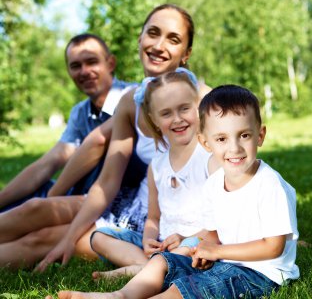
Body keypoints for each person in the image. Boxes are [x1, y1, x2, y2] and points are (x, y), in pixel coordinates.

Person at [0, 4, 210, 270]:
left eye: (173, 39)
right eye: (153, 33)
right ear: (140, 38)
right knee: (35, 209)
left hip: (166, 224)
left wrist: (68, 238)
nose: (158, 45)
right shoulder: (130, 102)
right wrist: (71, 233)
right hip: (131, 204)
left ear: (186, 53)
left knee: (41, 239)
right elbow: (107, 182)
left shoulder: (206, 101)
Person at [52, 85, 299, 299]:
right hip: (223, 261)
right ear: (206, 143)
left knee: (186, 289)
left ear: (260, 136)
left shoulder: (269, 184)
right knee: (163, 262)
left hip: (260, 273)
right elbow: (212, 235)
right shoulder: (215, 183)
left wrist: (217, 251)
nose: (234, 148)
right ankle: (120, 295)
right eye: (222, 139)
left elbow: (273, 247)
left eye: (244, 135)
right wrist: (190, 243)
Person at [90, 69, 219, 279]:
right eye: (166, 113)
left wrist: (185, 237)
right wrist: (148, 239)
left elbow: (222, 220)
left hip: (199, 239)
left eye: (184, 109)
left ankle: (149, 270)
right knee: (99, 237)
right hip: (164, 242)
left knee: (189, 248)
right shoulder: (157, 165)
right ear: (155, 119)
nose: (177, 119)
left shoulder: (209, 155)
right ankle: (150, 267)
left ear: (198, 107)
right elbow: (153, 217)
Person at [0, 33, 137, 213]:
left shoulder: (133, 98)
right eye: (75, 66)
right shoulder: (80, 112)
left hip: (116, 204)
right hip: (79, 194)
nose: (84, 71)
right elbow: (48, 163)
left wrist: (48, 201)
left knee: (26, 213)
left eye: (92, 62)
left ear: (110, 63)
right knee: (14, 204)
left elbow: (99, 142)